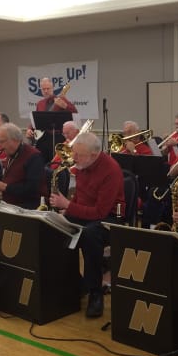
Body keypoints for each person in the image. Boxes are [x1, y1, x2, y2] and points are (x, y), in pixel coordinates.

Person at [49, 132, 125, 318]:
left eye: (78, 155)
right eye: (74, 153)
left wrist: (68, 205)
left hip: (110, 219)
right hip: (87, 214)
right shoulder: (84, 164)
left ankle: (95, 293)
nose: (74, 158)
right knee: (53, 226)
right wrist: (67, 211)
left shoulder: (111, 170)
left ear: (94, 155)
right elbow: (81, 197)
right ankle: (74, 282)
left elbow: (100, 212)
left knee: (90, 236)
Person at [0, 123, 45, 209]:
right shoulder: (11, 153)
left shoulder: (34, 156)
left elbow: (32, 190)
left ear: (15, 140)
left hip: (27, 208)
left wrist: (4, 187)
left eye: (2, 141)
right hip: (11, 205)